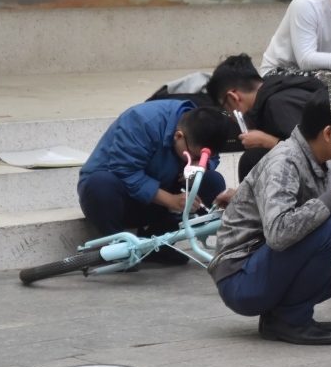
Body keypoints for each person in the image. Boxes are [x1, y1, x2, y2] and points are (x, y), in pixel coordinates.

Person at [209, 89, 331, 345]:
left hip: (265, 268)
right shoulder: (284, 161)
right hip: (240, 278)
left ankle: (289, 313)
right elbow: (279, 233)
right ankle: (288, 318)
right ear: (328, 133)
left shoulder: (323, 160)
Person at [78, 102, 233, 265]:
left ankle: (157, 245)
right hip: (118, 199)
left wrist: (201, 166)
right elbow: (126, 172)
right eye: (193, 156)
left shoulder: (201, 128)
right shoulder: (141, 122)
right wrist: (172, 201)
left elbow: (212, 157)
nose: (196, 161)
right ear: (178, 136)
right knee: (100, 184)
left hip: (158, 194)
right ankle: (117, 249)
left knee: (212, 181)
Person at [205, 53, 331, 189]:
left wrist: (268, 142)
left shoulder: (277, 104)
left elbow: (316, 153)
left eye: (225, 109)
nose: (229, 116)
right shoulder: (283, 89)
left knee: (252, 159)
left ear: (233, 98)